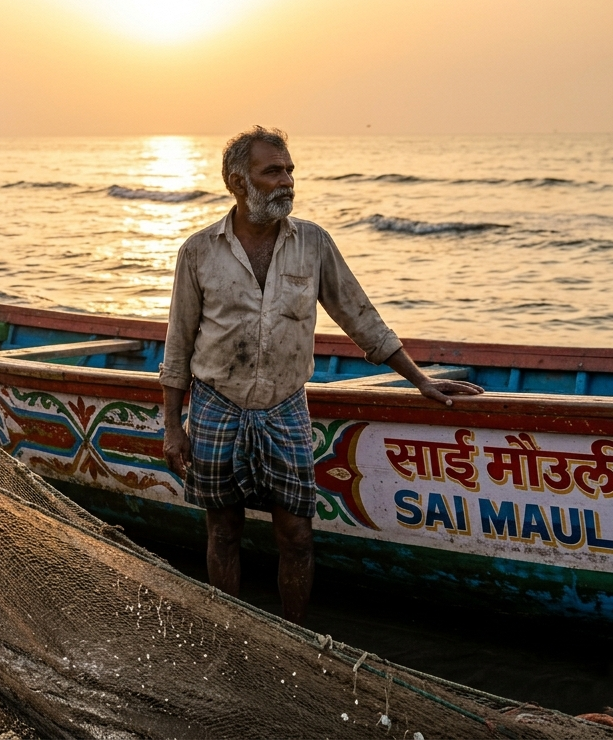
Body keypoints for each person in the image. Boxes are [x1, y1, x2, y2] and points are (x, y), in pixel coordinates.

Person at [159, 127, 483, 624]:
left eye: (289, 169)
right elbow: (178, 345)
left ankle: (298, 641)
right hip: (216, 402)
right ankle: (227, 631)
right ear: (237, 182)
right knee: (223, 530)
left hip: (285, 403)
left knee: (297, 536)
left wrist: (419, 379)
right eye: (273, 171)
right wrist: (173, 427)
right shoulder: (199, 252)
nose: (287, 181)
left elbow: (360, 317)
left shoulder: (312, 242)